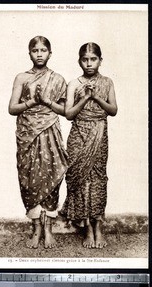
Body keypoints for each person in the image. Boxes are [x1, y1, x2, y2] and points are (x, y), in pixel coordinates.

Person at [8, 36, 68, 249]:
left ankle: (49, 229)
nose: (40, 54)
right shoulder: (22, 77)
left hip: (50, 130)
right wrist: (32, 101)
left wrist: (47, 102)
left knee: (52, 174)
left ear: (50, 53)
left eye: (44, 50)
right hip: (27, 132)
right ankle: (36, 229)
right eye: (35, 50)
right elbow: (12, 108)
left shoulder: (58, 79)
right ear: (30, 53)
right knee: (29, 177)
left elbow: (65, 111)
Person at [61, 42, 117, 248]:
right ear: (79, 61)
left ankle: (98, 226)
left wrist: (96, 97)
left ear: (100, 60)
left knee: (98, 178)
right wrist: (85, 97)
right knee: (80, 178)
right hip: (78, 134)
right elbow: (68, 114)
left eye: (93, 59)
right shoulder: (74, 84)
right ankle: (87, 228)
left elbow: (113, 110)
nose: (89, 63)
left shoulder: (108, 82)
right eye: (85, 59)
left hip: (99, 132)